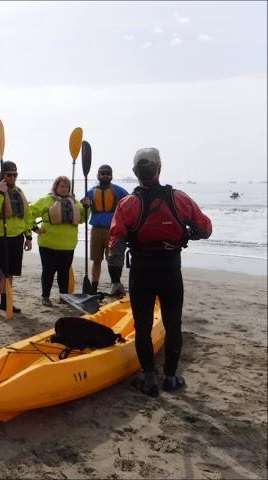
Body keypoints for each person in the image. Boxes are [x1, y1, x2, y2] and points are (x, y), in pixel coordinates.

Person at [108, 147, 212, 397]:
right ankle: (171, 377)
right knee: (173, 323)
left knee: (143, 326)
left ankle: (149, 380)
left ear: (135, 173)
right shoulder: (179, 199)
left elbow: (115, 246)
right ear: (159, 169)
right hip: (170, 270)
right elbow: (205, 229)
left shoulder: (128, 204)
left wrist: (115, 280)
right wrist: (188, 234)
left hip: (142, 271)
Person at [0, 161, 33, 317]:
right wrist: (0, 193)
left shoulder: (18, 191)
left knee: (10, 273)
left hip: (16, 237)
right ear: (2, 175)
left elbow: (27, 215)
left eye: (15, 174)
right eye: (9, 174)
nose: (12, 177)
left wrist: (28, 236)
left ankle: (6, 302)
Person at [30, 176, 86, 306]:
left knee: (64, 272)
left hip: (68, 245)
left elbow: (82, 218)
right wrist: (34, 228)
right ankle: (45, 296)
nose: (65, 189)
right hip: (48, 244)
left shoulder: (75, 202)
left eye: (67, 187)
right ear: (56, 187)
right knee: (48, 271)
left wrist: (87, 207)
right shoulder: (46, 200)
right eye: (62, 186)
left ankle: (64, 297)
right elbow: (30, 212)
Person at [81, 165, 129, 296]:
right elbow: (82, 206)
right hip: (96, 230)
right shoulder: (91, 192)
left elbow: (130, 203)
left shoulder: (118, 191)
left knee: (112, 259)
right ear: (98, 175)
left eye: (108, 173)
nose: (105, 176)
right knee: (96, 260)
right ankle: (94, 288)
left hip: (112, 230)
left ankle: (116, 284)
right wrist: (84, 204)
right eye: (103, 173)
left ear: (111, 175)